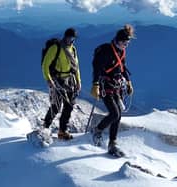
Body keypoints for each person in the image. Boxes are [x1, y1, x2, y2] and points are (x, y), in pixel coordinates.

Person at [90, 24, 135, 157]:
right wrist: (96, 85)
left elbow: (123, 67)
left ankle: (112, 142)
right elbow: (97, 68)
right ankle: (97, 130)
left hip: (116, 86)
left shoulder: (121, 51)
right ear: (118, 40)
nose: (125, 45)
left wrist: (128, 82)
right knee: (115, 114)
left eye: (127, 43)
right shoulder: (106, 51)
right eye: (124, 43)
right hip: (105, 86)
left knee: (118, 114)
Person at [42, 27, 81, 140]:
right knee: (56, 106)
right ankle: (45, 128)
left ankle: (62, 131)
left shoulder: (73, 49)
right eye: (69, 37)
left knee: (69, 106)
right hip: (57, 80)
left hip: (70, 80)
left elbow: (76, 68)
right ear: (65, 36)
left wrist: (79, 81)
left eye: (72, 38)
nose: (70, 40)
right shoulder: (56, 48)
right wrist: (48, 79)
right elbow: (45, 64)